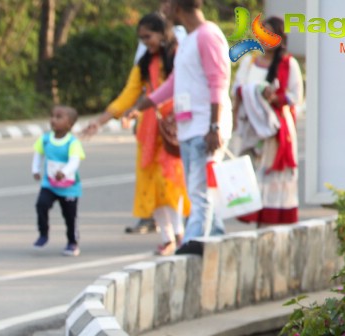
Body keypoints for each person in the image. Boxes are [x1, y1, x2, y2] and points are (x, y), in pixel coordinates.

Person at [83, 12, 190, 256]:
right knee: (151, 187)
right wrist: (99, 122)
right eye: (141, 38)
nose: (145, 42)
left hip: (174, 129)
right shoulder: (144, 64)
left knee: (171, 185)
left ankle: (181, 234)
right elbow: (128, 95)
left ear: (163, 33)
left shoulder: (179, 56)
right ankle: (167, 238)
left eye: (148, 37)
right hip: (150, 131)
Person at [135, 0, 231, 257]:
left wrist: (215, 125)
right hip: (188, 128)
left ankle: (191, 247)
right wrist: (149, 102)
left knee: (199, 193)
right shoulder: (189, 39)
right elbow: (178, 81)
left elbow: (218, 82)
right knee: (197, 191)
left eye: (166, 3)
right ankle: (216, 239)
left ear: (177, 5)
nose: (162, 8)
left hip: (205, 127)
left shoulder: (208, 35)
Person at [230, 16, 303, 226]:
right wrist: (255, 94)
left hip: (276, 129)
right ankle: (255, 216)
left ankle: (272, 221)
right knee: (251, 170)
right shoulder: (250, 62)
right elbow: (238, 88)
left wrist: (275, 98)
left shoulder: (289, 64)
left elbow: (296, 96)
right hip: (252, 127)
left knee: (274, 173)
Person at [32, 105, 85, 256]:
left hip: (69, 187)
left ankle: (72, 242)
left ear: (69, 124)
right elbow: (38, 154)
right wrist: (35, 170)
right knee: (41, 205)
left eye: (59, 117)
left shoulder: (72, 143)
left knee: (70, 217)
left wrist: (65, 172)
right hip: (49, 184)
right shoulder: (46, 139)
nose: (53, 119)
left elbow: (74, 162)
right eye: (52, 116)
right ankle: (43, 234)